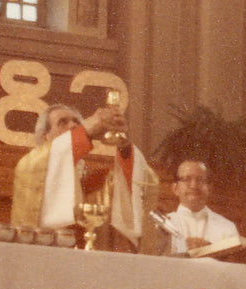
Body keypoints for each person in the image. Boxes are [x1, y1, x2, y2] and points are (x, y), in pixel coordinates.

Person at [11, 102, 159, 251]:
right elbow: (50, 157)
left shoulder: (94, 178)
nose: (72, 126)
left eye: (76, 122)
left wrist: (124, 145)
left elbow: (142, 181)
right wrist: (87, 130)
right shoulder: (31, 165)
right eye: (62, 122)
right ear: (45, 138)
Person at [160, 160, 238, 255]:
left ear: (210, 188)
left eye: (200, 180)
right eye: (187, 179)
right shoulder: (162, 225)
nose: (194, 186)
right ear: (175, 188)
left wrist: (211, 250)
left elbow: (233, 267)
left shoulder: (227, 228)